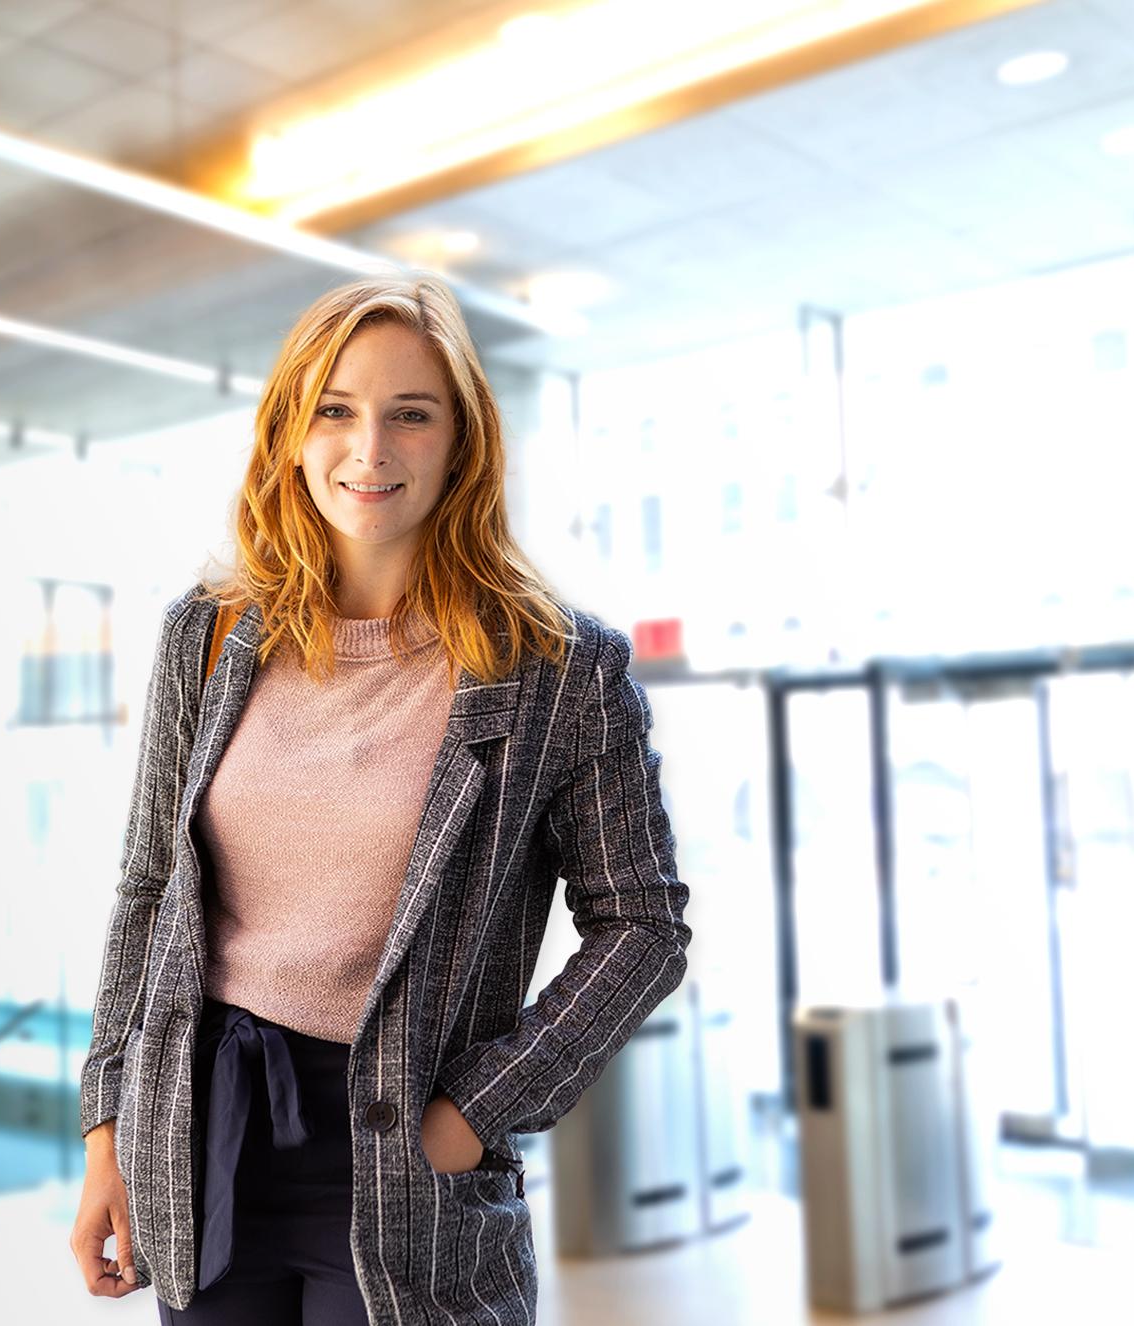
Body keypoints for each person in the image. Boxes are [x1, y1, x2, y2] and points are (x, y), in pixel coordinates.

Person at [68, 271, 691, 1324]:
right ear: (290, 434)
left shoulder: (556, 668)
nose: (371, 450)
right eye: (337, 411)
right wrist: (107, 1132)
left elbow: (643, 927)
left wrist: (471, 1115)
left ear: (463, 441)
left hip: (410, 1160)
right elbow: (150, 885)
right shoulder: (209, 635)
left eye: (412, 414)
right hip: (202, 1136)